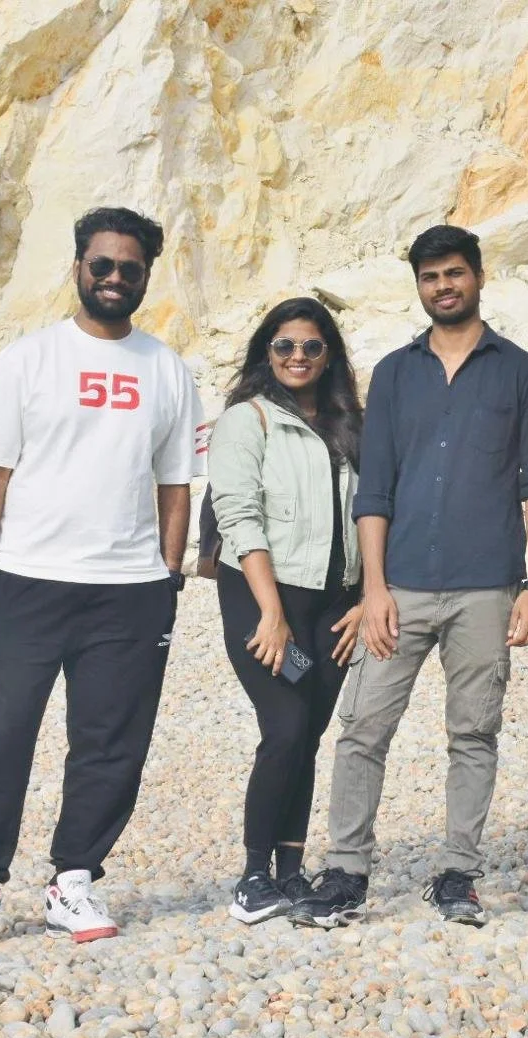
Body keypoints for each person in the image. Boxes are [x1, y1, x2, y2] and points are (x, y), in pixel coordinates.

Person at [0, 207, 204, 944]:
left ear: (146, 277)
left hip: (130, 592)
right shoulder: (29, 359)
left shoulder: (167, 369)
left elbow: (177, 483)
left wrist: (167, 573)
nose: (114, 278)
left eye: (129, 268)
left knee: (111, 744)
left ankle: (73, 882)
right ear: (79, 266)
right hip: (24, 582)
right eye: (101, 264)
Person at [288, 224, 528, 929]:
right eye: (431, 276)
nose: (444, 286)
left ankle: (459, 874)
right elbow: (374, 488)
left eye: (455, 273)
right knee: (362, 729)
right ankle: (346, 872)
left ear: (479, 277)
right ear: (419, 286)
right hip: (400, 586)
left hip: (487, 587)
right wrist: (373, 590)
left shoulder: (521, 372)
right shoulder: (395, 373)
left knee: (474, 732)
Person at [206, 297, 364, 924]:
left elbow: (372, 513)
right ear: (266, 352)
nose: (298, 357)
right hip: (264, 597)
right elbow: (238, 514)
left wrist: (366, 597)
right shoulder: (247, 420)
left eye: (311, 346)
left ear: (329, 356)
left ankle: (291, 870)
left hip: (333, 604)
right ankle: (252, 876)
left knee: (309, 733)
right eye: (284, 346)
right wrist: (271, 615)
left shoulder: (349, 425)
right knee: (286, 726)